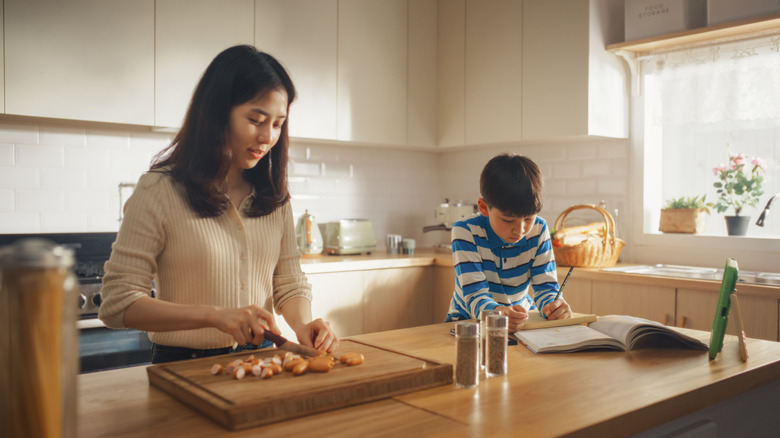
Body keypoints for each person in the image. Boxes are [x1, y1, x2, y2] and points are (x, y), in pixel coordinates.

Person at [99, 45, 339, 363]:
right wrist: (215, 316)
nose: (268, 137)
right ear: (216, 114)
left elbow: (288, 281)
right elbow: (117, 302)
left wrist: (303, 323)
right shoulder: (159, 190)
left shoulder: (273, 195)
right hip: (183, 364)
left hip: (262, 360)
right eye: (256, 120)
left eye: (278, 124)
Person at [445, 153, 571, 332]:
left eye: (528, 219)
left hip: (519, 324)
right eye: (508, 220)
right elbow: (475, 295)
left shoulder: (539, 230)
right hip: (468, 323)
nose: (520, 230)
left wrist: (553, 306)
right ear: (483, 207)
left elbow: (546, 286)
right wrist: (497, 314)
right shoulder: (465, 232)